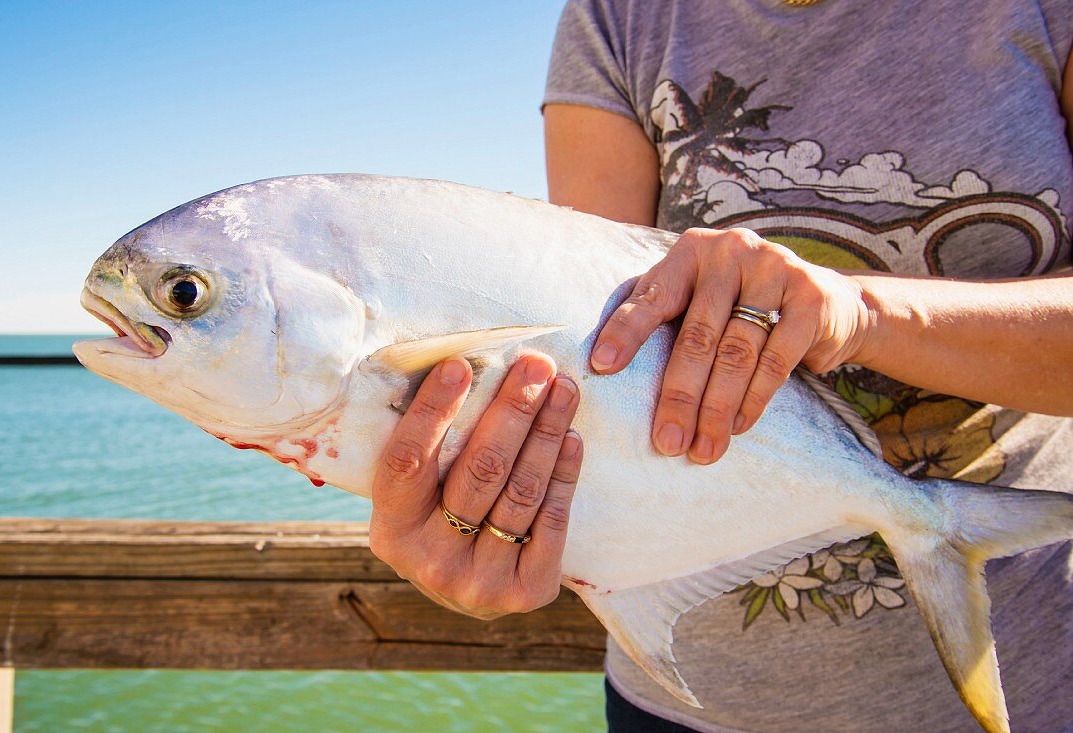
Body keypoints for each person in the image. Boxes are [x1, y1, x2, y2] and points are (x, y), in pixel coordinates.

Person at [369, 1, 1073, 730]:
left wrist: (863, 315)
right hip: (689, 705)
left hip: (1048, 670)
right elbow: (599, 350)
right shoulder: (621, 15)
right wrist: (483, 516)